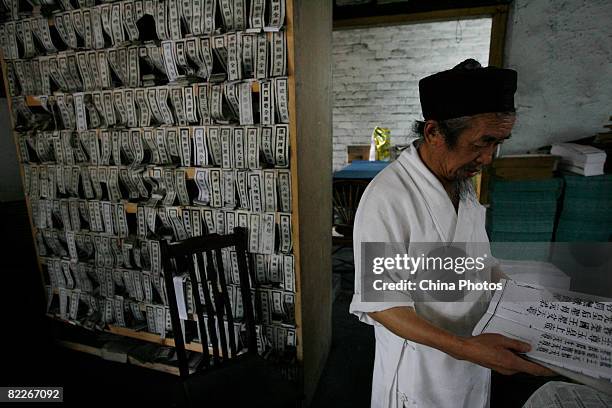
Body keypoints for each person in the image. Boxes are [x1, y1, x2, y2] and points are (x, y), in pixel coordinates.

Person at [349, 59, 553, 408]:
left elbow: (480, 260)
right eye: (482, 142)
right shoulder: (388, 197)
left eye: (498, 143)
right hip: (420, 369)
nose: (488, 158)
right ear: (434, 133)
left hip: (473, 351)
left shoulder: (462, 184)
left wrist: (525, 302)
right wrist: (466, 349)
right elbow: (383, 305)